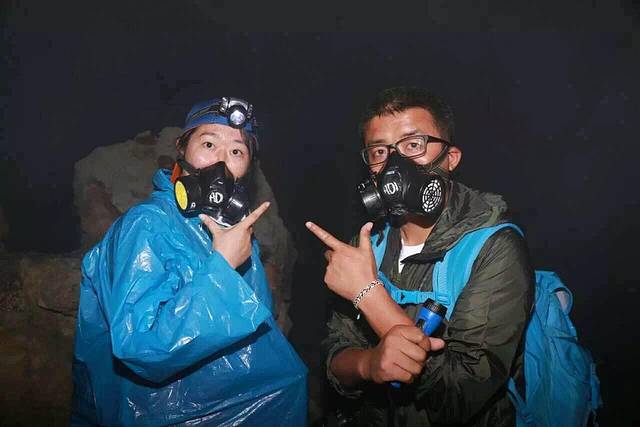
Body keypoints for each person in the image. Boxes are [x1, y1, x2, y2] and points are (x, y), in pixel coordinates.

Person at [72, 97, 307, 426]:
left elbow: (257, 327)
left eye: (237, 152)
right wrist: (221, 267)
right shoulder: (146, 226)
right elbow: (141, 347)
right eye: (209, 144)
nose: (221, 161)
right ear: (181, 149)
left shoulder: (236, 233)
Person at [306, 87, 534, 426]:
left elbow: (461, 393)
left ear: (451, 158)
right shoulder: (369, 243)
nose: (395, 164)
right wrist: (368, 364)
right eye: (380, 151)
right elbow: (334, 352)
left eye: (413, 145)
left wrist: (369, 295)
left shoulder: (494, 247)